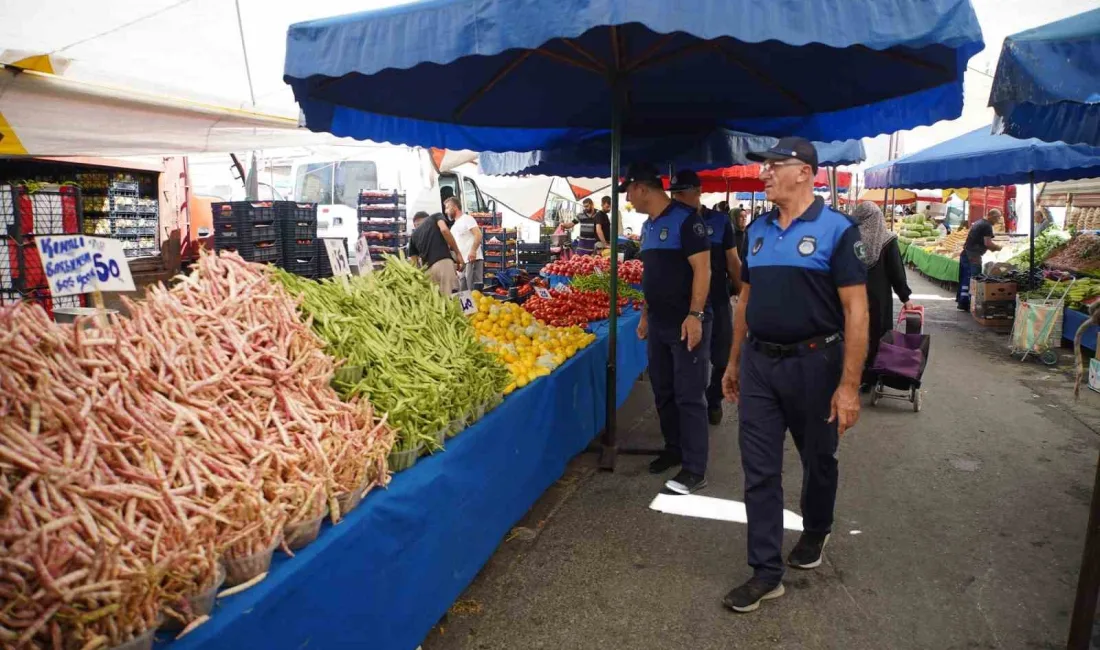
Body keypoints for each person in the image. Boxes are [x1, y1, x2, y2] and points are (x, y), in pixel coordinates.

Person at [721, 137, 869, 613]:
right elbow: (746, 299)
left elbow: (856, 312)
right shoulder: (757, 231)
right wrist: (734, 362)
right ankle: (765, 571)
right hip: (761, 365)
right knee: (759, 470)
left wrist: (848, 386)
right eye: (762, 167)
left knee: (818, 460)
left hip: (816, 364)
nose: (763, 174)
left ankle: (816, 528)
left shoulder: (837, 231)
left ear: (804, 172)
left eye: (772, 166)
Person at [626, 162, 713, 496]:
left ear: (642, 188)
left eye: (630, 192)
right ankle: (673, 448)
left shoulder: (687, 221)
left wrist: (695, 314)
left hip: (685, 323)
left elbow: (703, 271)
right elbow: (652, 277)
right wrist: (646, 316)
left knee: (689, 395)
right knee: (662, 390)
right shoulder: (648, 227)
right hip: (659, 323)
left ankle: (695, 468)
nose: (629, 199)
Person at [670, 169, 742, 425]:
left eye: (682, 193)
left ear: (698, 193)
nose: (677, 198)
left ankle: (713, 399)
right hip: (685, 303)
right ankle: (692, 409)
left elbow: (733, 261)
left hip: (718, 299)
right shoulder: (672, 221)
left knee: (722, 358)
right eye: (674, 194)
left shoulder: (720, 221)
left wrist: (743, 294)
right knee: (690, 362)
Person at [852, 201, 914, 388]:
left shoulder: (850, 239)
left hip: (852, 294)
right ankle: (871, 377)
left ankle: (850, 374)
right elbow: (896, 272)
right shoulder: (887, 240)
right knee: (876, 334)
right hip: (878, 298)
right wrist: (905, 297)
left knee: (852, 333)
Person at [956, 208, 1003, 311]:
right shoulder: (987, 226)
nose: (998, 221)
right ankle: (972, 305)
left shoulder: (979, 222)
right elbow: (988, 243)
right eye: (997, 218)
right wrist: (998, 248)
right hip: (974, 255)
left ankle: (963, 303)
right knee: (974, 279)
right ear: (991, 216)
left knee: (965, 278)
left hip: (966, 253)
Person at [408, 210, 465, 295]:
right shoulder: (435, 217)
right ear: (427, 218)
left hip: (428, 272)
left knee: (436, 304)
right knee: (453, 300)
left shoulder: (412, 237)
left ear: (414, 224)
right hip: (444, 265)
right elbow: (444, 230)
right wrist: (458, 253)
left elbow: (414, 265)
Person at [445, 197, 484, 291]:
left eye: (447, 208)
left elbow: (478, 234)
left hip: (472, 260)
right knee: (464, 293)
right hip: (463, 264)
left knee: (474, 292)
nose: (446, 211)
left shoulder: (467, 219)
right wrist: (458, 262)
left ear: (454, 207)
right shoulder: (454, 227)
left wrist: (473, 251)